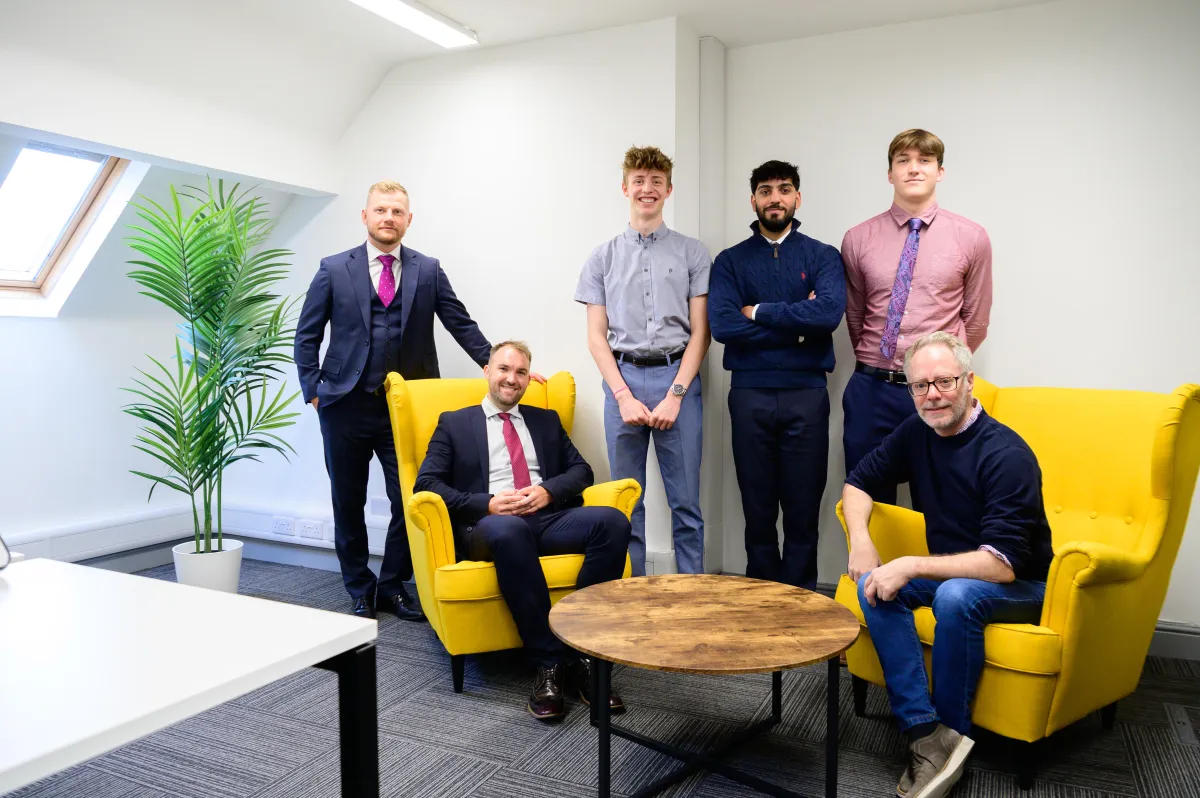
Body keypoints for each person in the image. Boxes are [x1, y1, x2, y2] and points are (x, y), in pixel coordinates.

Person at [844, 331, 1053, 798]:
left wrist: (913, 564)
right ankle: (927, 736)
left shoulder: (1006, 454)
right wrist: (861, 540)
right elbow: (859, 481)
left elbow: (1001, 567)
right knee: (874, 585)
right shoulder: (917, 432)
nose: (932, 395)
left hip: (1026, 585)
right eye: (920, 385)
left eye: (944, 382)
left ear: (969, 382)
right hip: (957, 570)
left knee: (956, 596)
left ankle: (953, 732)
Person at [295, 181, 494, 620]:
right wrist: (313, 390)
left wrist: (494, 362)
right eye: (381, 210)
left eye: (397, 211)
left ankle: (392, 586)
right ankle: (359, 590)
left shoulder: (429, 269)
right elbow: (307, 334)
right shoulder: (333, 268)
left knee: (412, 500)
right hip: (344, 405)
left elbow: (460, 322)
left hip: (406, 409)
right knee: (347, 500)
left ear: (408, 219)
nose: (389, 217)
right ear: (365, 216)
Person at [414, 341, 632, 720]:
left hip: (545, 517)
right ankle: (548, 663)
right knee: (510, 531)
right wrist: (486, 502)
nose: (511, 379)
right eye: (503, 369)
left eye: (520, 372)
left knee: (612, 522)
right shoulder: (454, 422)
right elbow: (427, 484)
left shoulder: (545, 420)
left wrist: (548, 491)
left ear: (529, 379)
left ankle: (581, 652)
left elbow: (582, 471)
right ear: (487, 371)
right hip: (489, 526)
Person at [708, 160, 845, 589]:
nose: (775, 198)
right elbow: (724, 326)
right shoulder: (730, 261)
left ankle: (802, 602)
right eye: (765, 191)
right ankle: (762, 601)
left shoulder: (822, 256)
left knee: (804, 507)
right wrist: (797, 331)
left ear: (797, 198)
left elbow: (826, 315)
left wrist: (761, 313)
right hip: (749, 395)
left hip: (807, 395)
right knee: (758, 506)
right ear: (753, 201)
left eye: (784, 190)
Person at [575, 145, 711, 576]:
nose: (647, 189)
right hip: (622, 380)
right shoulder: (602, 257)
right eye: (639, 180)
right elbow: (597, 338)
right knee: (625, 502)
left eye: (656, 182)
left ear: (668, 190)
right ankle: (629, 596)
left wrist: (675, 396)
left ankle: (692, 595)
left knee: (685, 503)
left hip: (678, 378)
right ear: (625, 188)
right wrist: (623, 396)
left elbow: (701, 333)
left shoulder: (693, 253)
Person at [841, 129, 993, 508]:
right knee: (869, 502)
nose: (914, 169)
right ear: (889, 173)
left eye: (924, 161)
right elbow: (856, 316)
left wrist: (938, 369)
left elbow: (975, 319)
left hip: (939, 391)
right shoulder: (858, 239)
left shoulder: (971, 237)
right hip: (872, 389)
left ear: (940, 171)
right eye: (903, 161)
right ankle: (870, 572)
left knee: (942, 502)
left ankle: (937, 571)